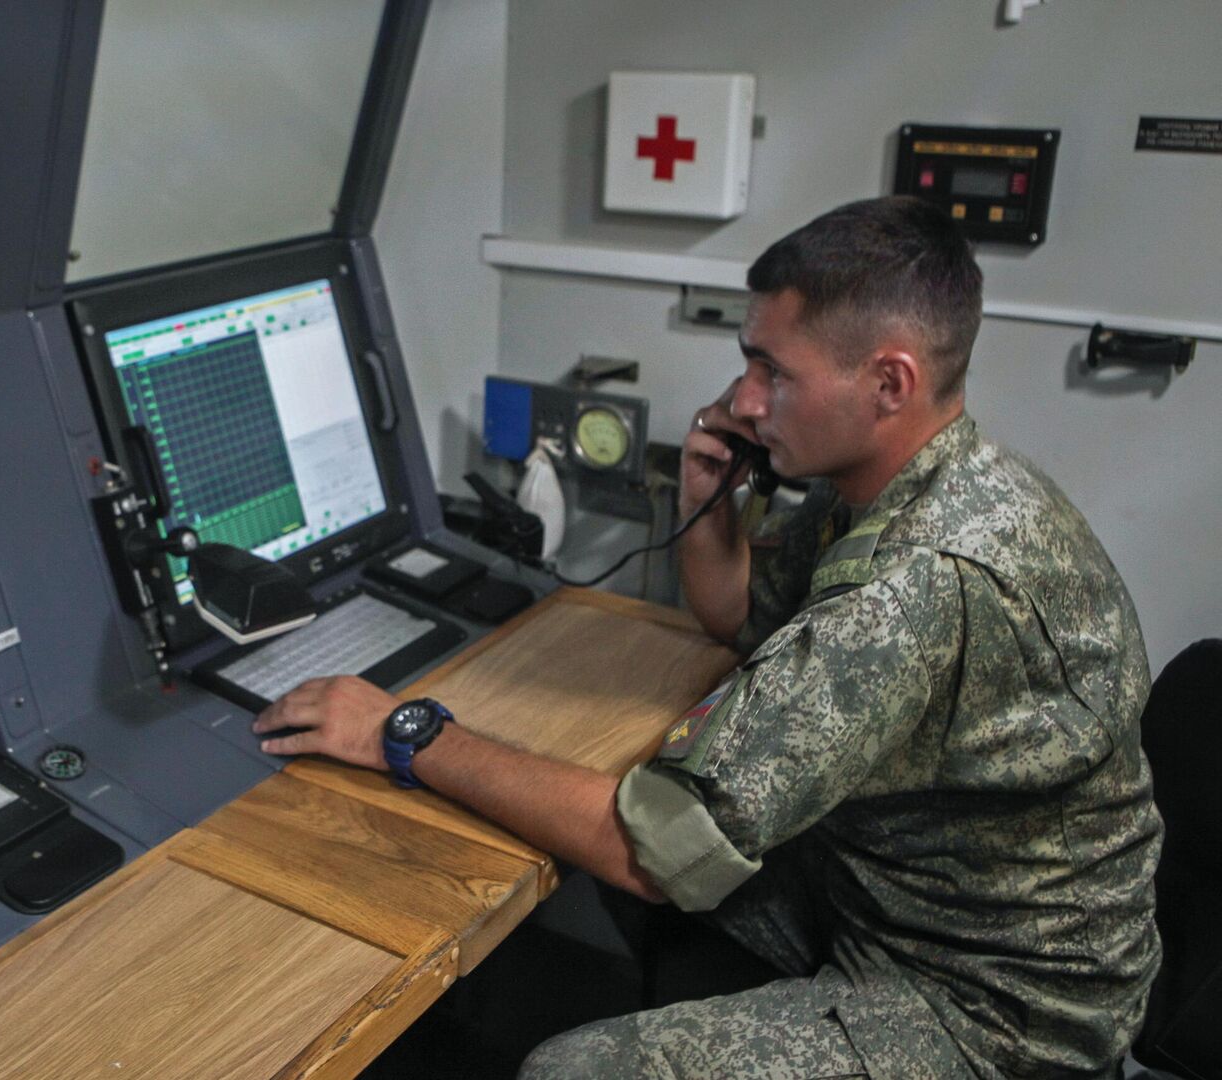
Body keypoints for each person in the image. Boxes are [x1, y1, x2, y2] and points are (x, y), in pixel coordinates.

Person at [253, 196, 1160, 1078]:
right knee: (598, 813)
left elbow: (650, 849)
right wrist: (708, 499)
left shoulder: (912, 588)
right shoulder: (912, 482)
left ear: (890, 383)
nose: (744, 402)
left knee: (573, 1066)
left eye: (774, 372)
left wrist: (403, 732)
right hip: (899, 890)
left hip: (993, 1006)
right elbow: (741, 615)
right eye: (746, 364)